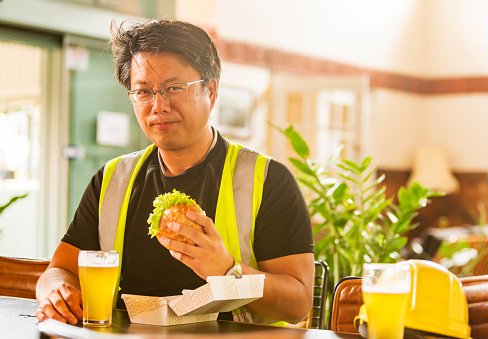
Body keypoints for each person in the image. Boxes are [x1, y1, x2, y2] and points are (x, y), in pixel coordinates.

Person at [35, 19, 314, 326]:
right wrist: (55, 291)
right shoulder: (112, 178)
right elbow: (59, 270)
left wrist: (227, 270)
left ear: (211, 91)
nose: (158, 105)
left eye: (174, 88)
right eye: (143, 91)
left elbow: (298, 303)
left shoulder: (267, 179)